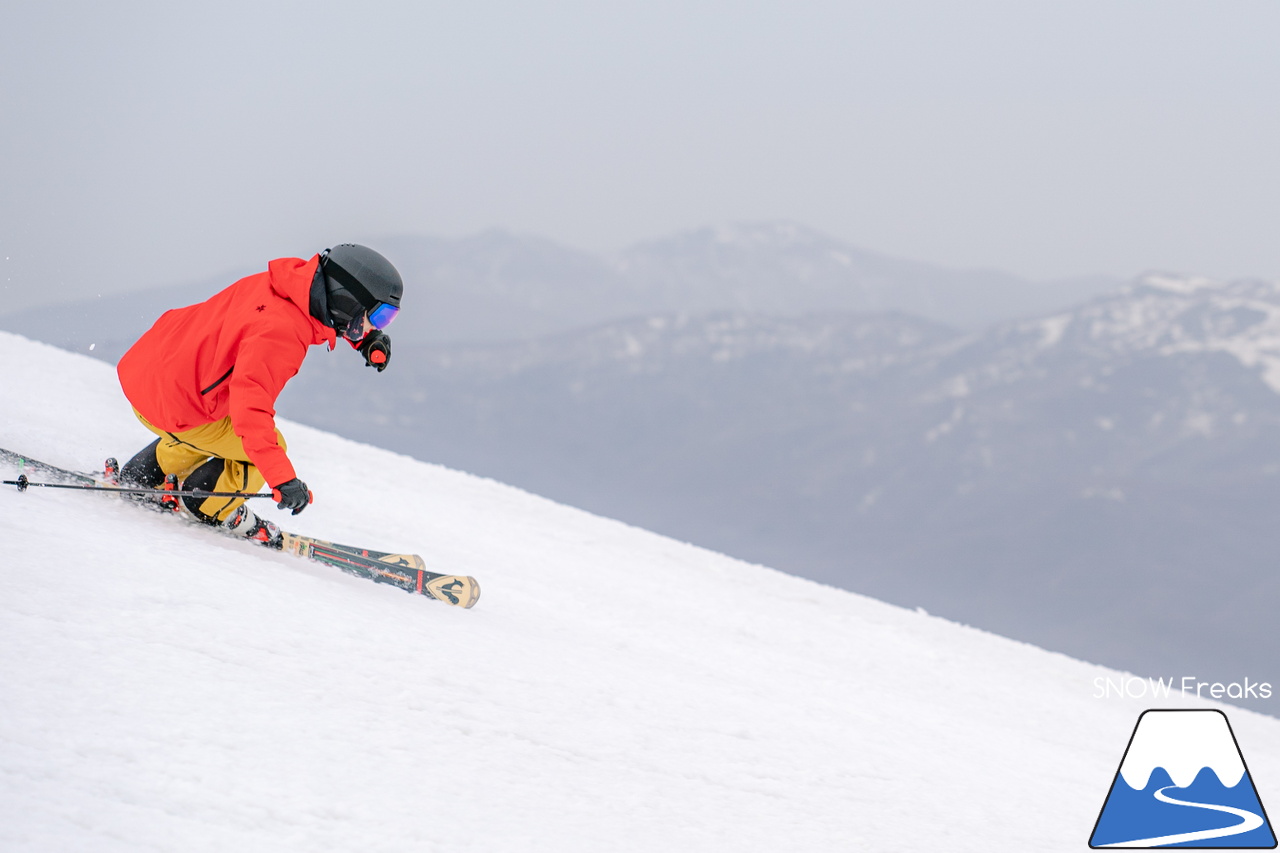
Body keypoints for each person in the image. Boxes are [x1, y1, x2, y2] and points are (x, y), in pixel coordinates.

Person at [116, 243, 403, 545]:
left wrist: (364, 340)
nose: (377, 325)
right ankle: (206, 504)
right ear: (348, 300)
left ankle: (148, 472)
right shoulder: (282, 333)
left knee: (221, 417)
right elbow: (250, 412)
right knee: (264, 444)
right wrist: (282, 479)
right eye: (379, 316)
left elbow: (320, 316)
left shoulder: (278, 287)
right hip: (177, 407)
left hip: (147, 377)